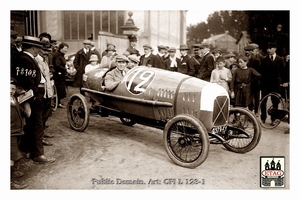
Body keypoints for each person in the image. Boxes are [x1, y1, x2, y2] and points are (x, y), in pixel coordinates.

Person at [14, 35, 55, 164]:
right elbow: (27, 82)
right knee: (37, 126)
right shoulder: (25, 59)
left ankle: (25, 150)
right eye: (38, 48)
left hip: (33, 97)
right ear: (33, 48)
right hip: (32, 98)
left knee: (31, 125)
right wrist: (37, 93)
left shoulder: (26, 58)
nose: (39, 50)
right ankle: (38, 155)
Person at [35, 37, 55, 145]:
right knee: (40, 115)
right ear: (39, 49)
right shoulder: (37, 60)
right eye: (44, 50)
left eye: (47, 50)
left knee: (46, 114)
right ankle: (40, 137)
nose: (46, 52)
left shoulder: (44, 59)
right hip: (41, 91)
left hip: (47, 89)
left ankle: (43, 132)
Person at [260, 42, 285, 125]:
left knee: (275, 102)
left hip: (276, 85)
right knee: (263, 101)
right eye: (267, 48)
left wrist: (282, 82)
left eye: (270, 48)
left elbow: (283, 72)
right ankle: (263, 117)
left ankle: (273, 119)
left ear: (275, 49)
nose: (268, 50)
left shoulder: (280, 59)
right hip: (265, 84)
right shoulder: (264, 60)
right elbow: (261, 72)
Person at [10, 77, 28, 189]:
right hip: (9, 133)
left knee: (13, 154)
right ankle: (9, 182)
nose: (10, 91)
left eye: (13, 88)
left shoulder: (13, 99)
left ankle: (11, 174)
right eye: (8, 88)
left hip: (16, 131)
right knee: (10, 157)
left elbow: (20, 111)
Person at [244, 44, 261, 116]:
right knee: (249, 97)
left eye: (249, 51)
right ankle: (250, 111)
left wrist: (253, 79)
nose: (247, 52)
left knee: (256, 97)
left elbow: (258, 72)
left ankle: (256, 111)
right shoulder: (244, 59)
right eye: (246, 51)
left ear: (252, 51)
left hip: (255, 81)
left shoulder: (256, 60)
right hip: (247, 81)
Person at [52, 42, 69, 108]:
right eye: (65, 48)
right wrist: (65, 69)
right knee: (59, 88)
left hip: (60, 75)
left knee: (60, 88)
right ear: (61, 48)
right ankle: (57, 103)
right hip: (58, 75)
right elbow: (57, 65)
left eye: (67, 48)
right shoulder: (58, 56)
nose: (66, 50)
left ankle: (58, 102)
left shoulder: (61, 55)